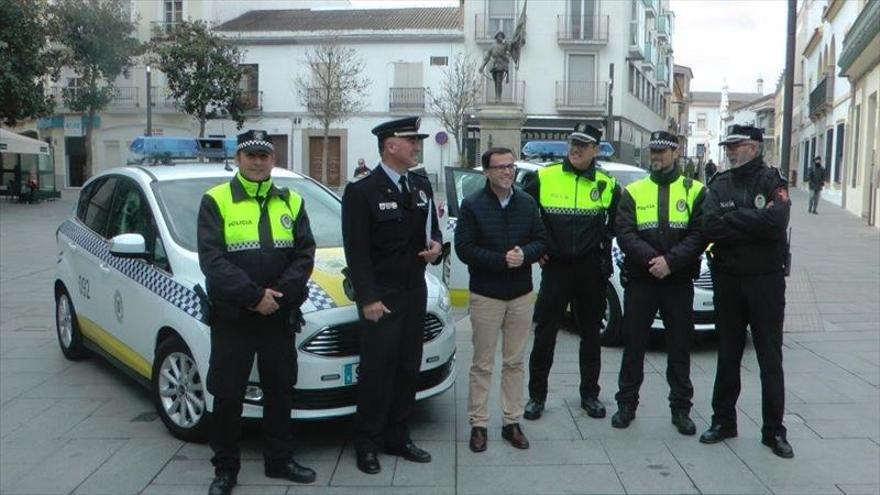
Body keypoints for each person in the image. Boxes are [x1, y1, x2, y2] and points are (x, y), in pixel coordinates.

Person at [198, 130, 318, 495]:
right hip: (234, 317)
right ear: (238, 159)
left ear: (273, 160)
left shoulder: (292, 201)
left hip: (278, 316)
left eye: (264, 155)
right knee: (228, 394)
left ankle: (279, 460)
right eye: (250, 155)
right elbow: (213, 261)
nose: (258, 161)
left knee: (280, 389)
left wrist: (277, 298)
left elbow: (304, 255)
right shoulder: (216, 200)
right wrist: (253, 297)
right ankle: (225, 469)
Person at [341, 116, 443, 474]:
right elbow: (356, 252)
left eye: (418, 140)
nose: (417, 146)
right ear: (390, 145)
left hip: (414, 292)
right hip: (381, 296)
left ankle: (398, 436)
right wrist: (367, 298)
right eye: (411, 140)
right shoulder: (362, 191)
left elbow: (434, 234)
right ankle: (366, 441)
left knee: (406, 368)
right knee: (376, 372)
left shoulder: (420, 185)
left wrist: (436, 249)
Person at [700, 124, 794, 459]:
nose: (729, 151)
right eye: (727, 146)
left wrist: (735, 220)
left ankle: (774, 431)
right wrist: (753, 219)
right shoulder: (719, 183)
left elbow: (776, 223)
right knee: (727, 354)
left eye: (735, 146)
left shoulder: (771, 181)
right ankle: (723, 420)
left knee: (770, 357)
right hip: (728, 280)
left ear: (753, 147)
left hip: (766, 282)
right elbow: (709, 226)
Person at [523, 122, 621, 421]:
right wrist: (536, 248)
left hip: (591, 270)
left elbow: (618, 223)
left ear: (595, 150)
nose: (576, 149)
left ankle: (589, 395)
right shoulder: (544, 176)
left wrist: (603, 248)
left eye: (583, 145)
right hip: (556, 268)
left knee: (591, 334)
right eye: (573, 143)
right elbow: (522, 214)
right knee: (545, 333)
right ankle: (536, 397)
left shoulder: (607, 184)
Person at [611, 131, 706, 434]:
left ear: (676, 153)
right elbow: (624, 232)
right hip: (642, 280)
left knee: (679, 348)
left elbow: (700, 233)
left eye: (663, 151)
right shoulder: (635, 191)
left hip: (677, 282)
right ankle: (626, 404)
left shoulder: (695, 190)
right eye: (653, 151)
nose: (657, 156)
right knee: (633, 346)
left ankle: (681, 409)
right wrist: (654, 261)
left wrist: (671, 262)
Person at [455, 147, 546, 453]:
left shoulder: (527, 202)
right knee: (482, 364)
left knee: (514, 361)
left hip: (521, 294)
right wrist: (499, 260)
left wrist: (525, 255)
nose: (507, 172)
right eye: (500, 168)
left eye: (511, 166)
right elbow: (464, 248)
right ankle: (478, 424)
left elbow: (541, 240)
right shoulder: (472, 205)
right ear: (487, 173)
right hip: (486, 295)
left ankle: (511, 421)